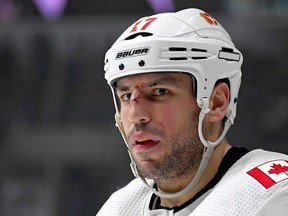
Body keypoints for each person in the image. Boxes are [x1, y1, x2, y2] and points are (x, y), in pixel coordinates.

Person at [97, 8, 288, 215]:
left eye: (160, 91)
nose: (136, 115)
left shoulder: (273, 197)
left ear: (216, 102)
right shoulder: (120, 207)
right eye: (126, 96)